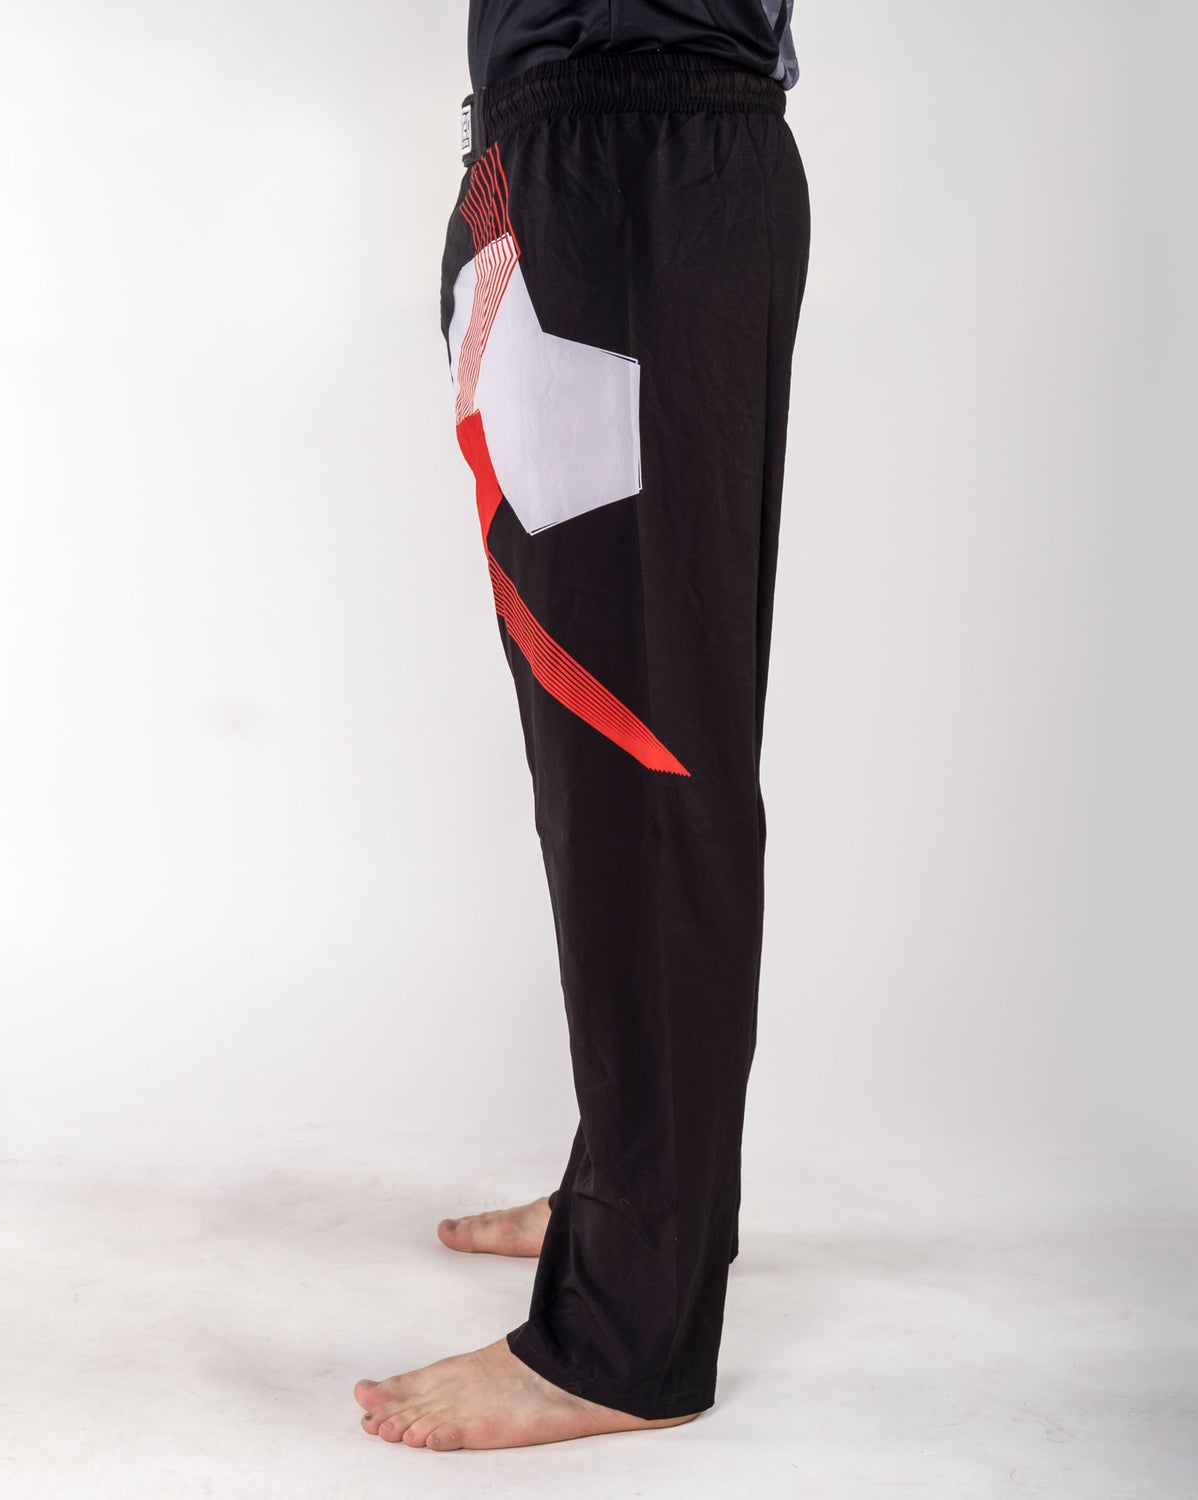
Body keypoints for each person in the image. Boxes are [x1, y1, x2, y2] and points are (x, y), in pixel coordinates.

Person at [354, 1, 810, 1451]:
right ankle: (640, 1190)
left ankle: (625, 1335)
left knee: (639, 762)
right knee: (619, 755)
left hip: (626, 163)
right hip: (573, 155)